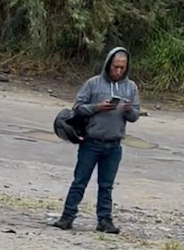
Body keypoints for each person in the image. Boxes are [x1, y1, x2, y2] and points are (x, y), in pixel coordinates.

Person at [53, 47, 140, 234]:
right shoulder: (93, 84)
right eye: (115, 67)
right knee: (80, 181)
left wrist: (128, 109)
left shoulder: (131, 87)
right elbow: (77, 108)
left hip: (114, 144)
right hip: (91, 142)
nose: (118, 71)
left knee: (106, 185)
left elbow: (135, 116)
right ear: (108, 64)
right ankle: (67, 217)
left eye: (122, 68)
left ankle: (105, 221)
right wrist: (97, 107)